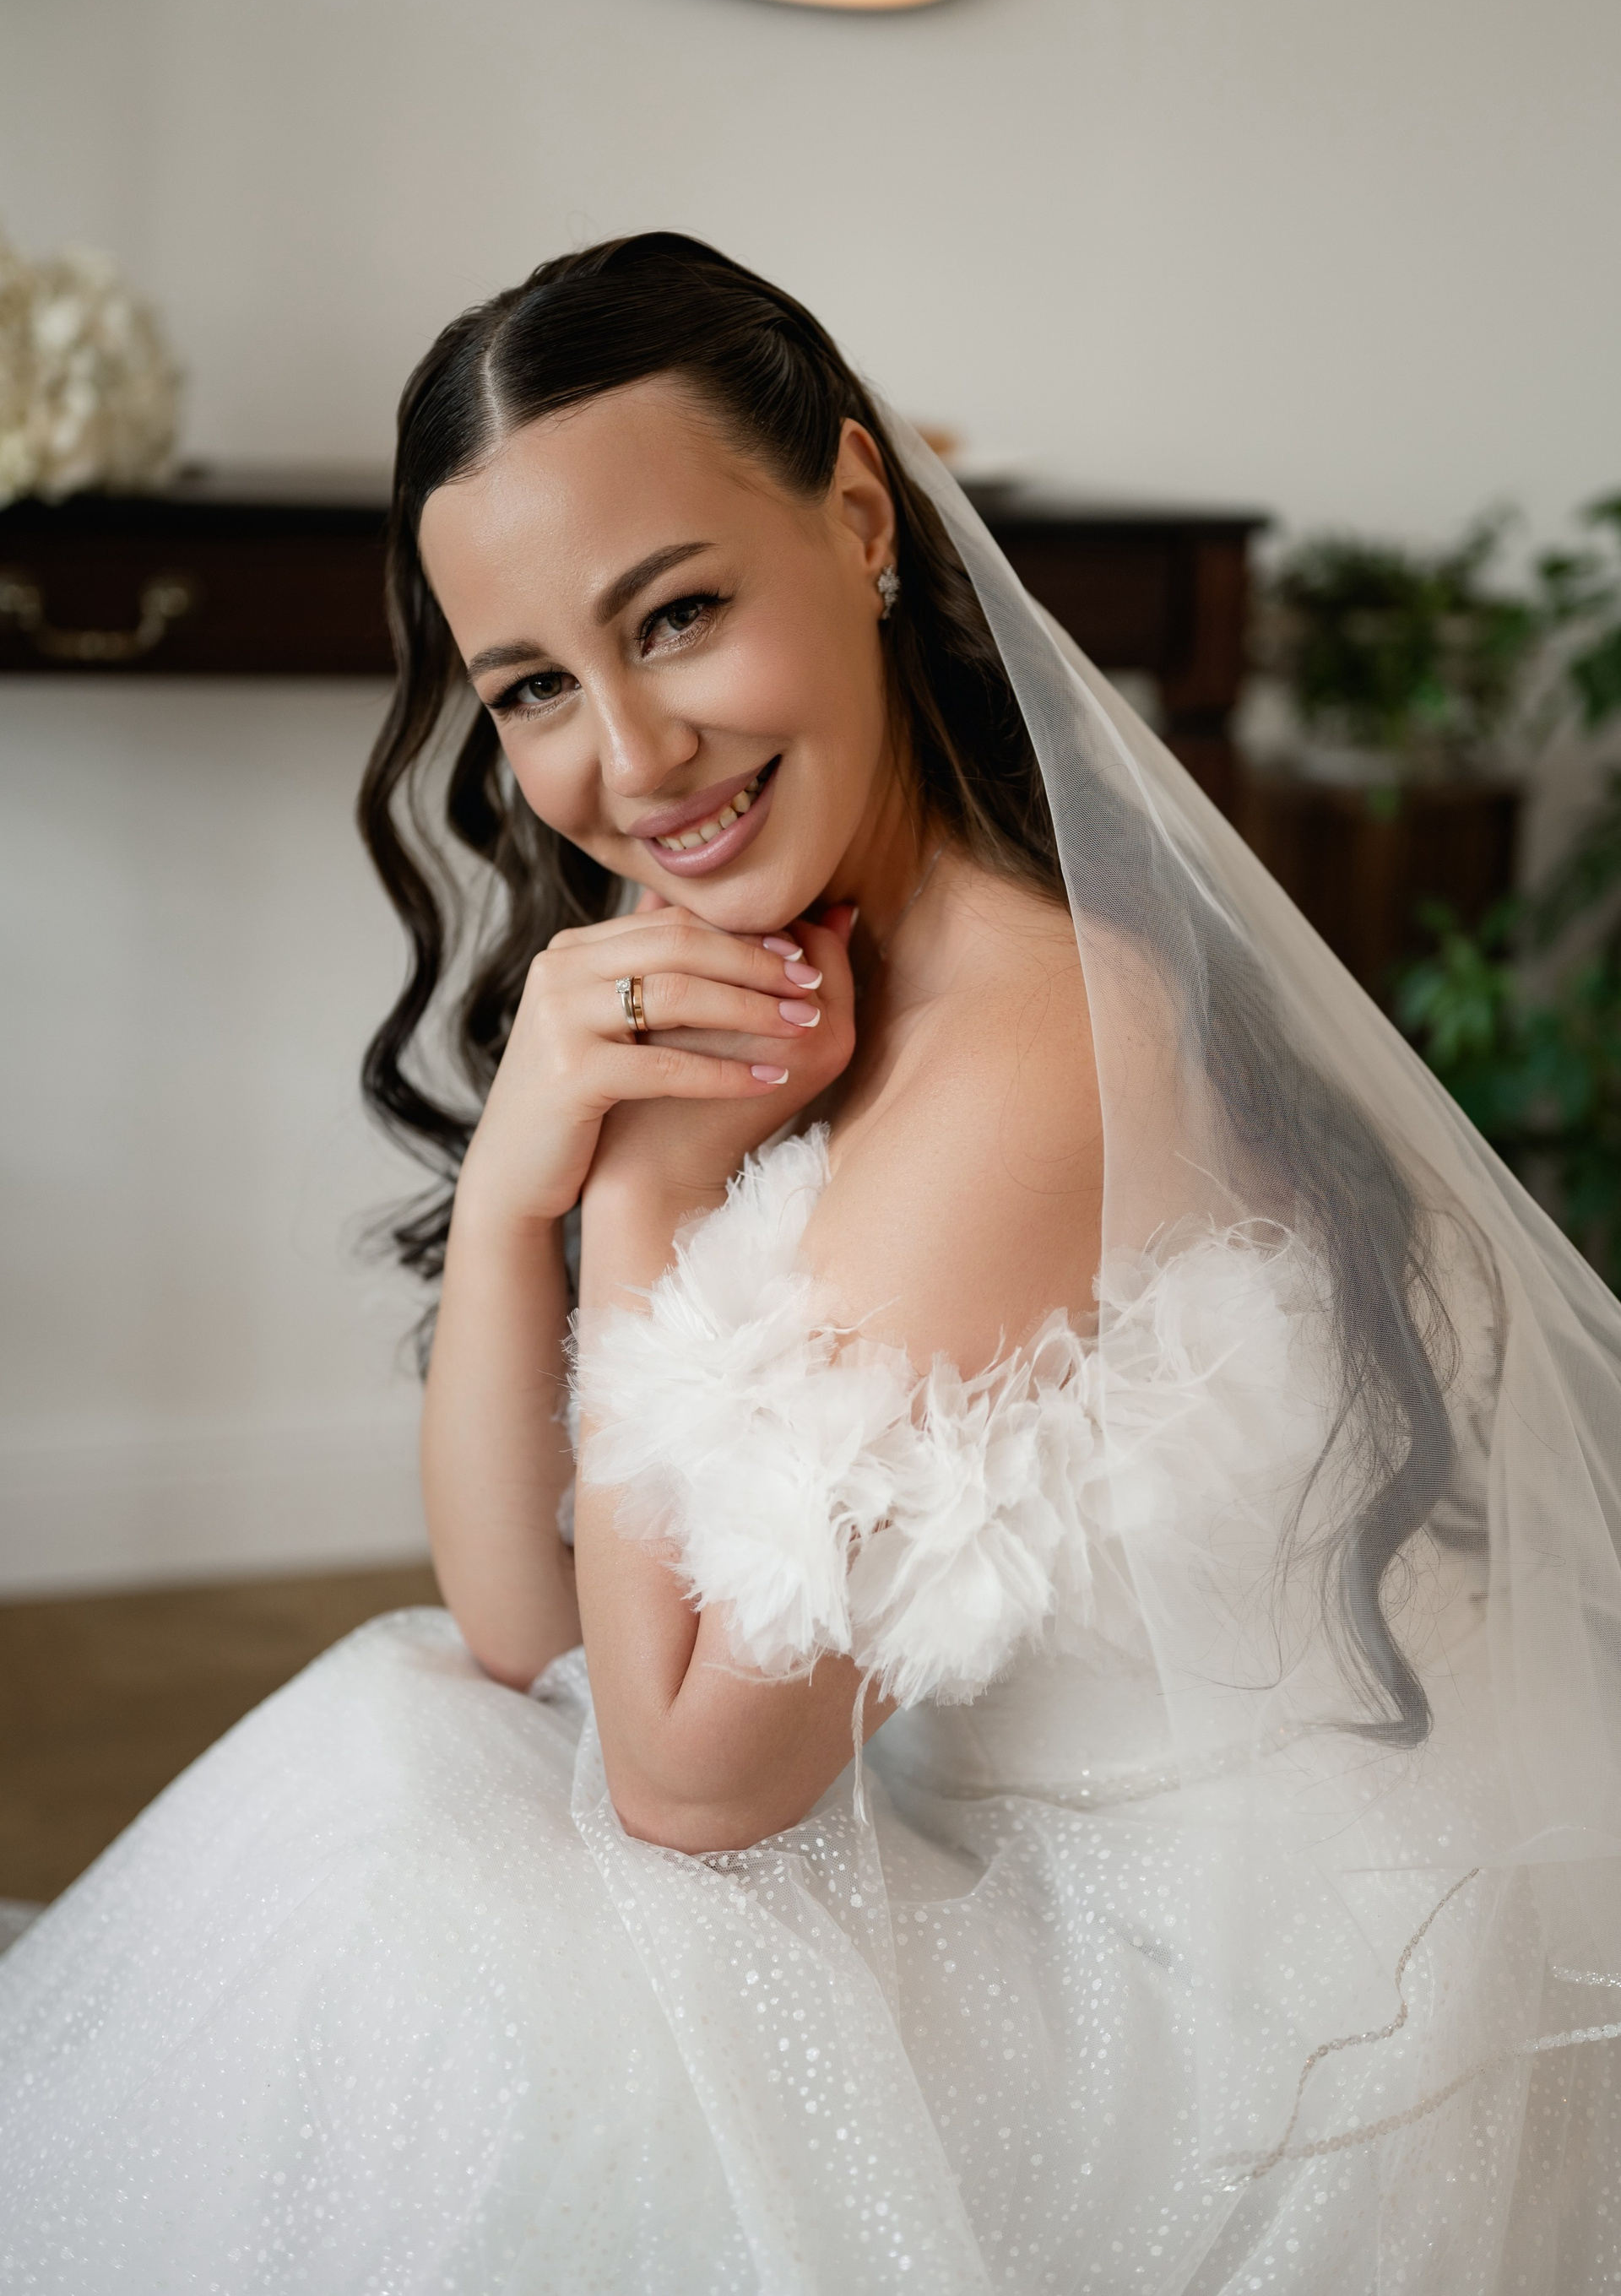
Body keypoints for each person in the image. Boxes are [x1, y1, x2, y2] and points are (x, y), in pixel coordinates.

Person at [3, 235, 1620, 2293]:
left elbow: (689, 1785)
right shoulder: (793, 966)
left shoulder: (1033, 1050)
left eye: (676, 616)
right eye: (533, 689)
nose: (632, 758)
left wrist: (634, 1201)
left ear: (859, 517)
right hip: (958, 1826)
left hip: (1235, 2004)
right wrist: (513, 1189)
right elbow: (519, 1629)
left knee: (418, 1920)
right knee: (398, 1748)